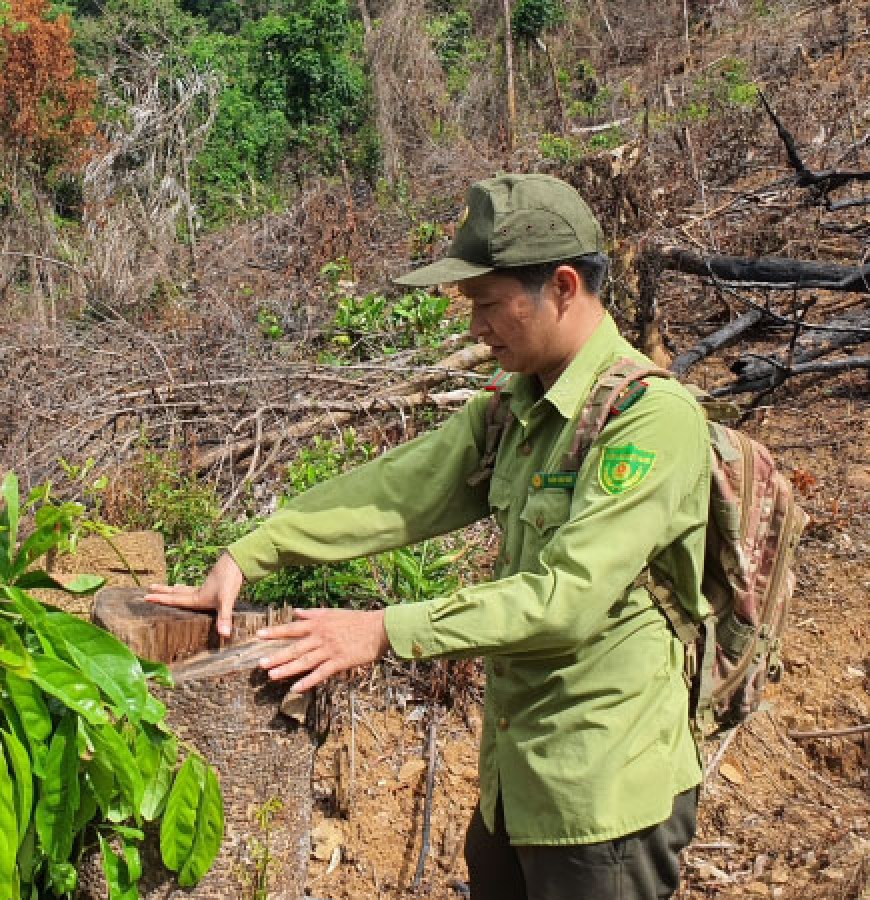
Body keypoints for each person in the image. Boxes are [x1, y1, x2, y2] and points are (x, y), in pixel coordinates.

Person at [144, 174, 710, 900]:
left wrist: (384, 630)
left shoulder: (647, 420)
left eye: (487, 304)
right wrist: (247, 553)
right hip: (517, 787)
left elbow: (566, 599)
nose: (475, 328)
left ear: (562, 286)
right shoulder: (519, 407)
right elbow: (397, 490)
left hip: (602, 799)